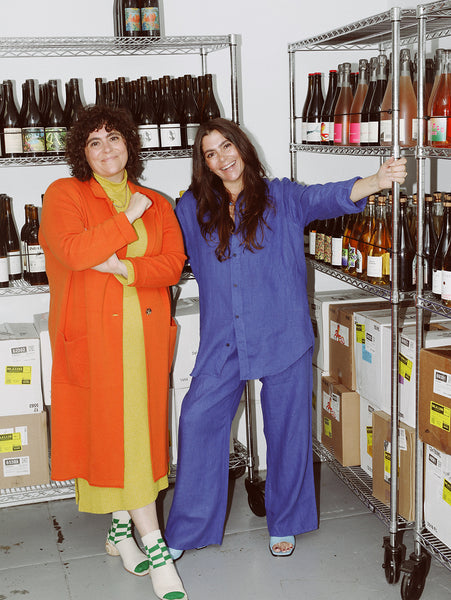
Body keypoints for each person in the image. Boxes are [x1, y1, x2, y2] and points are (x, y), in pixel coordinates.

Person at [164, 117, 407, 558]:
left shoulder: (282, 196)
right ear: (203, 164)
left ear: (243, 146)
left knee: (288, 428)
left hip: (283, 333)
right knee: (197, 420)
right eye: (210, 153)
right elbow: (163, 248)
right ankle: (188, 530)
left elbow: (328, 195)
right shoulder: (191, 208)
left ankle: (286, 520)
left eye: (226, 146)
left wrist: (377, 179)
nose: (222, 158)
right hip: (224, 338)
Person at [39, 105, 188, 600]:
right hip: (94, 339)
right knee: (111, 435)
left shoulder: (157, 201)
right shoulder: (65, 194)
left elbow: (172, 265)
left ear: (130, 144)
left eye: (115, 139)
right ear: (81, 152)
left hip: (143, 337)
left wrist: (123, 268)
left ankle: (121, 527)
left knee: (138, 434)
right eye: (95, 142)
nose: (107, 150)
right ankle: (155, 545)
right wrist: (127, 220)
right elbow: (75, 251)